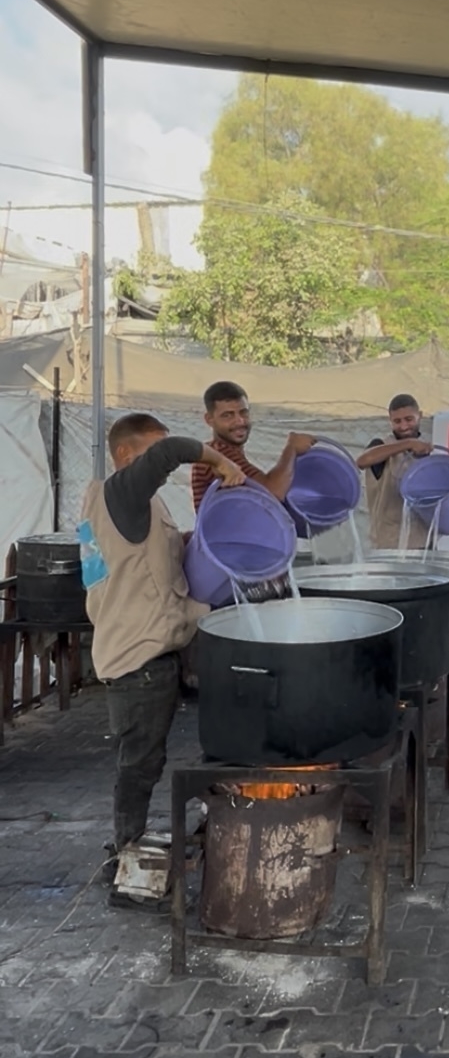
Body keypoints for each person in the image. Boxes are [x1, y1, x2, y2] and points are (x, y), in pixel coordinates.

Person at [78, 413, 245, 897]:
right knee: (140, 762)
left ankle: (129, 843)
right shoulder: (121, 492)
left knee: (144, 759)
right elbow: (173, 452)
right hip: (137, 659)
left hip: (151, 648)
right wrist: (221, 463)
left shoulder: (140, 504)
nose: (162, 462)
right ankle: (125, 851)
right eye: (150, 451)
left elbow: (149, 564)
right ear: (126, 455)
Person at [190, 381, 316, 512]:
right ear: (209, 419)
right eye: (227, 415)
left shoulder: (224, 452)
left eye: (243, 412)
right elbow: (273, 493)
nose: (240, 421)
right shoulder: (218, 453)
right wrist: (291, 448)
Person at [356, 392, 436, 549]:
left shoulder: (428, 450)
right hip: (389, 546)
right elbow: (362, 461)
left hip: (424, 544)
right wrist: (408, 443)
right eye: (397, 421)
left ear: (420, 416)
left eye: (409, 419)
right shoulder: (380, 445)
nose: (403, 426)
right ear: (390, 421)